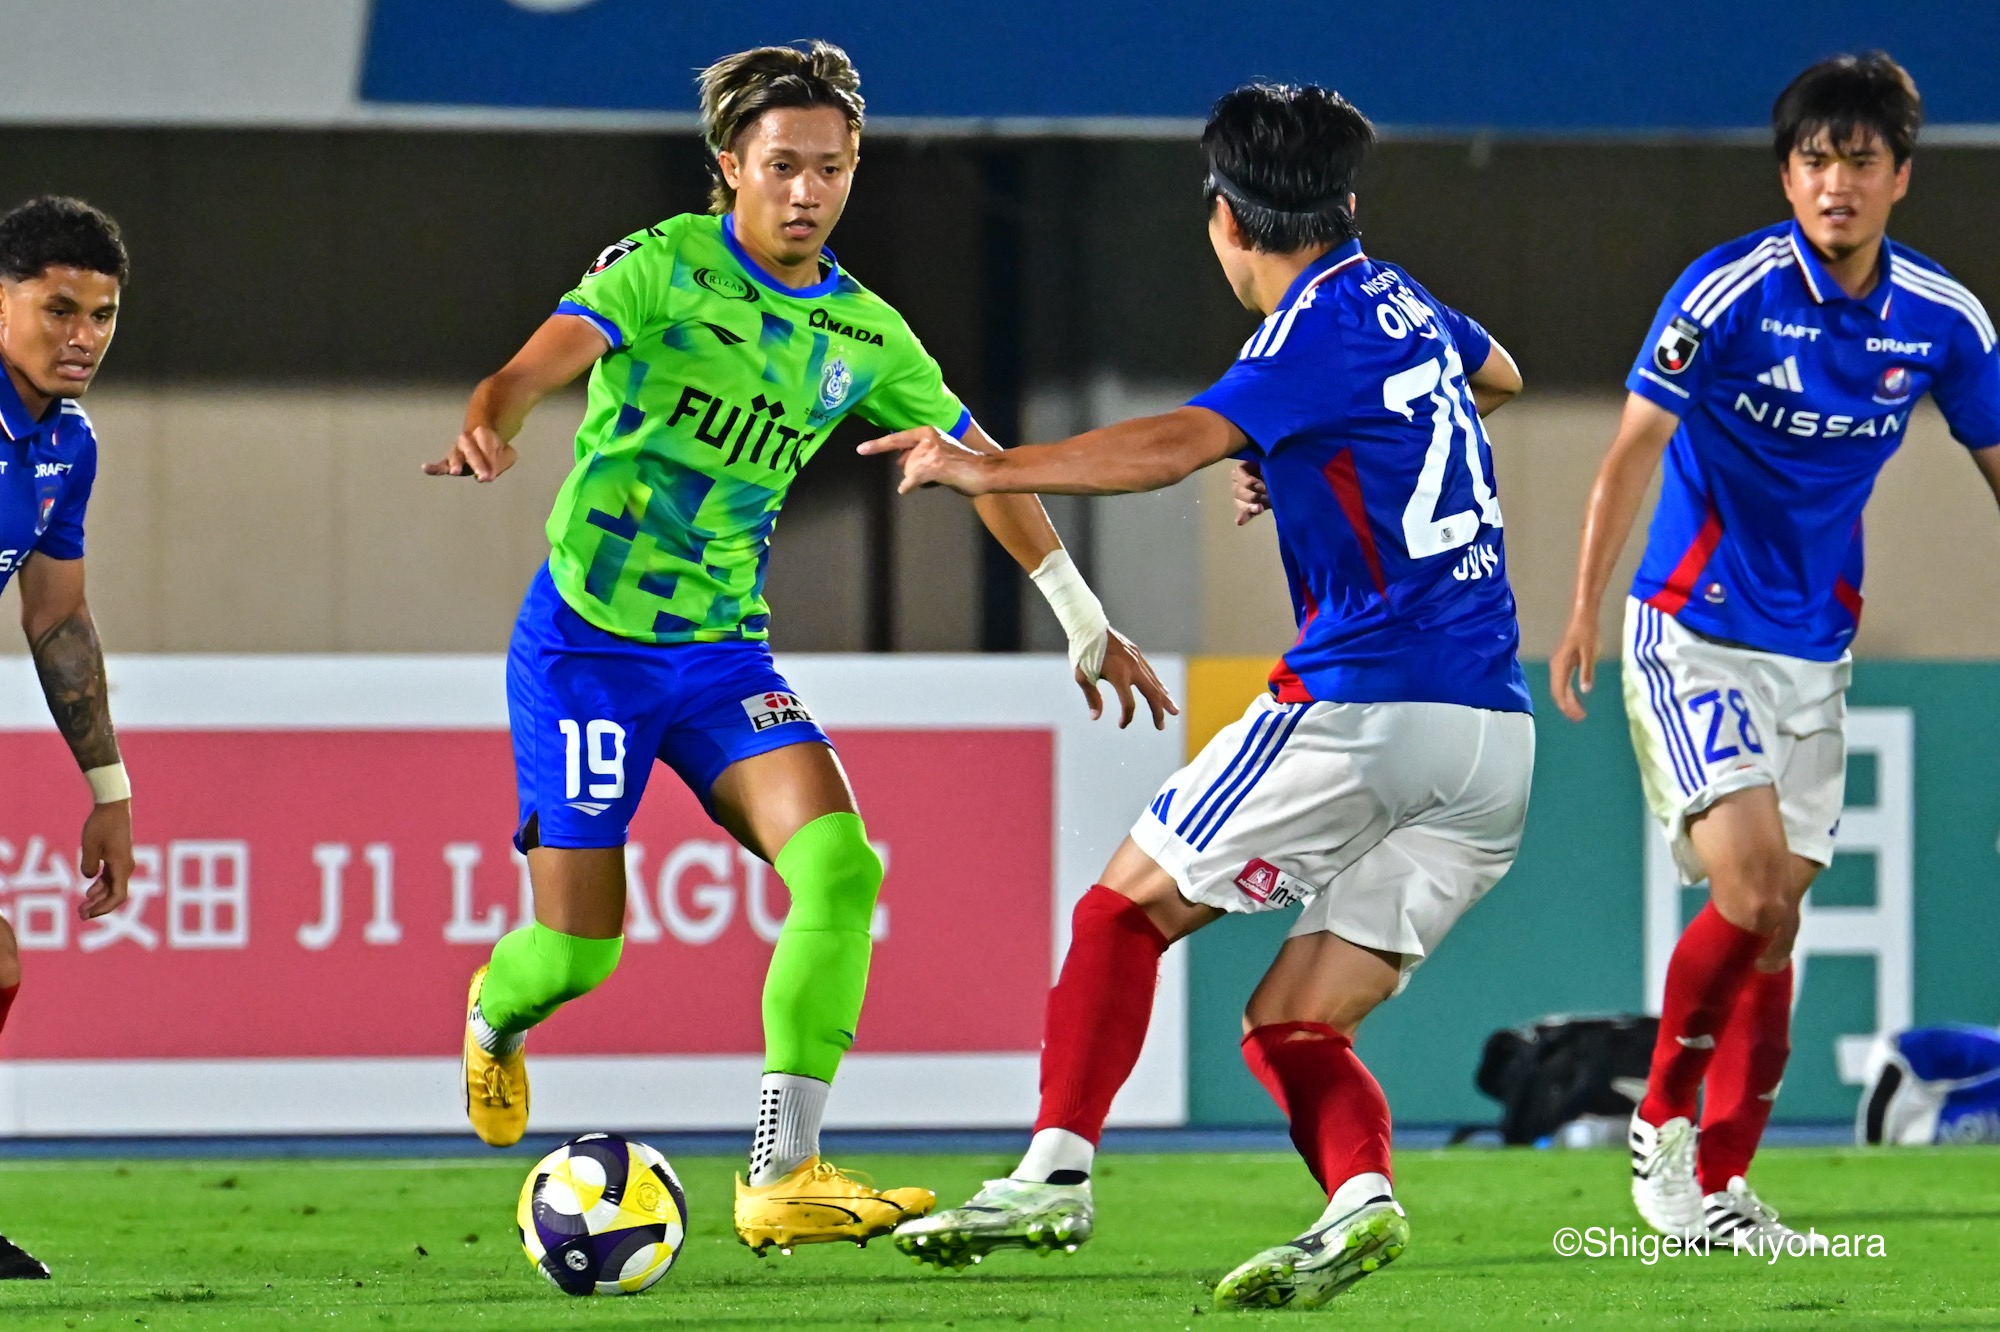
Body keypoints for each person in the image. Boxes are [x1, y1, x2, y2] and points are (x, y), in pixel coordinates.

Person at [425, 42, 1174, 1256]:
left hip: (722, 659)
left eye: (830, 168)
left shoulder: (865, 335)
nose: (806, 192)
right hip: (587, 652)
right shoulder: (661, 268)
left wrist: (1083, 619)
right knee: (575, 954)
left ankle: (782, 1169)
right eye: (781, 166)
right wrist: (486, 425)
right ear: (731, 167)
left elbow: (980, 467)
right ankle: (495, 1019)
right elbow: (527, 369)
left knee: (842, 874)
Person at [870, 83, 1532, 1309]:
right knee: (1293, 1022)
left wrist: (984, 469)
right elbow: (1495, 374)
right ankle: (1358, 1202)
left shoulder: (1298, 338)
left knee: (1118, 917)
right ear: (1343, 202)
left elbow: (1174, 443)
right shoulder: (1404, 302)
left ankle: (1051, 1175)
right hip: (1492, 740)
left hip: (1364, 707)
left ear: (1225, 218)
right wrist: (1318, 466)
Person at [1547, 52, 2000, 1248]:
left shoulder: (1942, 324)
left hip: (1814, 651)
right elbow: (1630, 452)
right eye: (1812, 160)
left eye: (1857, 160)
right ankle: (1658, 1133)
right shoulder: (1725, 291)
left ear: (1900, 176)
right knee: (1746, 887)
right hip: (1686, 630)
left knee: (1776, 922)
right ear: (1785, 176)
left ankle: (1725, 1193)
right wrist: (1585, 608)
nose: (1833, 182)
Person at [0, 195, 137, 1280]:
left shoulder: (66, 442)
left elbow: (55, 615)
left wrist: (110, 787)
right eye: (58, 309)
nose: (83, 334)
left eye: (101, 313)